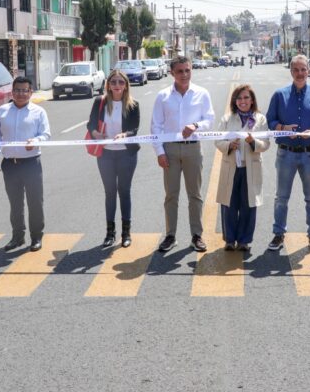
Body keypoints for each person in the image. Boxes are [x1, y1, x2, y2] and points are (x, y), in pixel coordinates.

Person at [265, 54, 310, 252]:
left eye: (303, 69)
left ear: (308, 71)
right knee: (281, 197)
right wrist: (283, 127)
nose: (300, 73)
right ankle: (278, 234)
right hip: (286, 153)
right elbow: (270, 120)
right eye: (296, 70)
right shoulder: (279, 95)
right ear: (291, 71)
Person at [151, 55, 215, 253]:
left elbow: (210, 119)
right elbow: (156, 126)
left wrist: (196, 125)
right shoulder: (163, 96)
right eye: (180, 71)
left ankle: (197, 235)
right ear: (172, 73)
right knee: (171, 195)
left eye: (187, 70)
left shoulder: (201, 93)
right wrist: (160, 152)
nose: (184, 74)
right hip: (170, 149)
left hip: (193, 148)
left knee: (194, 195)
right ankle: (171, 235)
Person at [0, 76, 51, 252]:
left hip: (31, 164)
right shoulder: (2, 111)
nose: (21, 94)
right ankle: (17, 237)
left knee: (35, 202)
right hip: (10, 164)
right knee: (15, 203)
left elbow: (46, 134)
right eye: (17, 90)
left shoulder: (38, 112)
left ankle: (36, 237)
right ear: (12, 92)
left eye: (25, 90)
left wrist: (36, 140)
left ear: (31, 92)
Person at [88, 70, 141, 248]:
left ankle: (126, 233)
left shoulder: (133, 105)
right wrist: (95, 132)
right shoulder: (100, 102)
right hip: (106, 154)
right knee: (110, 192)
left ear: (126, 85)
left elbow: (134, 129)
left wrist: (124, 134)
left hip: (127, 153)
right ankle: (110, 233)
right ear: (108, 85)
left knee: (124, 192)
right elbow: (91, 123)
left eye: (120, 82)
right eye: (113, 82)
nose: (117, 85)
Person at [214, 85, 270, 252]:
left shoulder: (260, 119)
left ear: (252, 100)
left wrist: (253, 142)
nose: (242, 101)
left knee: (248, 205)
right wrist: (229, 145)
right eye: (239, 98)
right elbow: (217, 140)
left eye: (246, 97)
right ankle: (230, 240)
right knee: (229, 204)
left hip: (250, 168)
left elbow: (266, 143)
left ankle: (244, 240)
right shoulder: (227, 119)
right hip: (231, 167)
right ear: (234, 101)